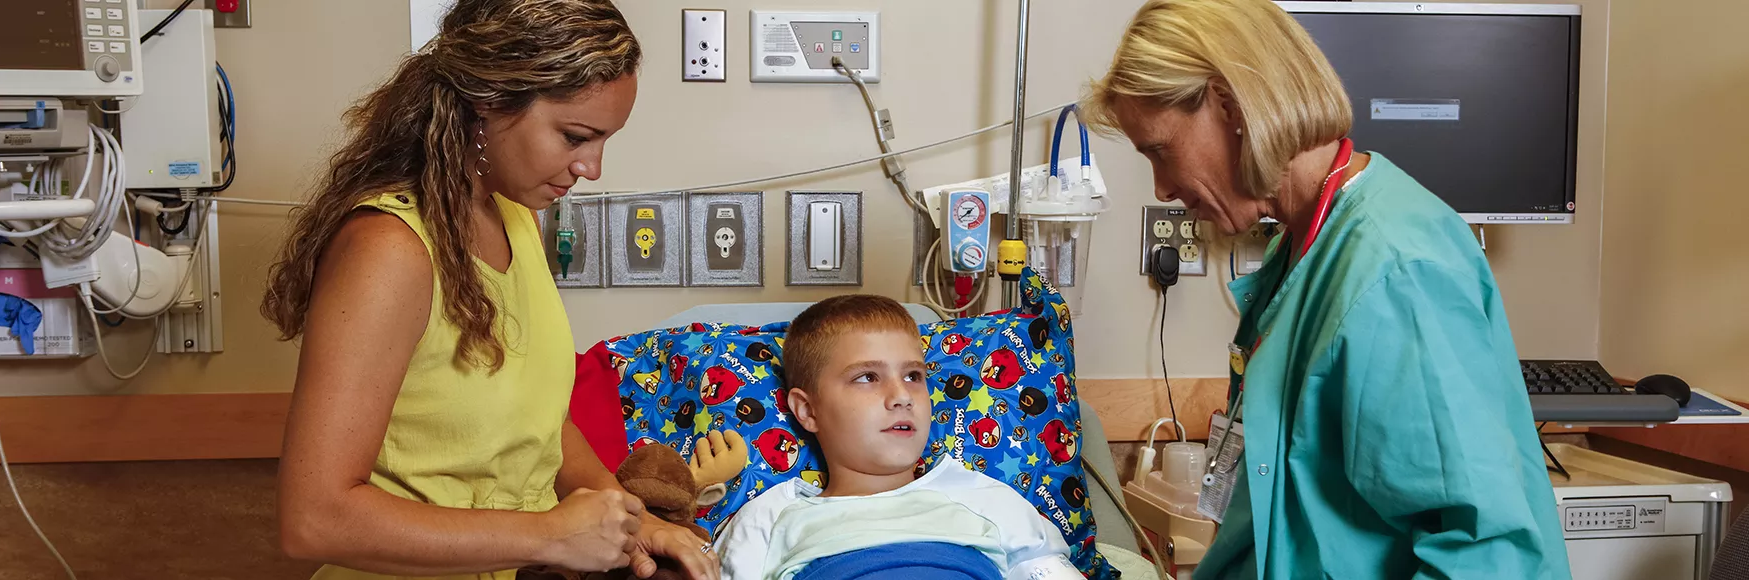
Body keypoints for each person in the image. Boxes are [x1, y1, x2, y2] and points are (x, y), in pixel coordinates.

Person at [1082, 0, 1570, 578]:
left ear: (1230, 104)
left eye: (1160, 152)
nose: (1162, 188)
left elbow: (1485, 556)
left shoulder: (1396, 269)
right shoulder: (1305, 249)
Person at [259, 1, 717, 579]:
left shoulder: (512, 214)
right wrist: (549, 535)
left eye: (603, 140)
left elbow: (541, 422)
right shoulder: (389, 250)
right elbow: (314, 520)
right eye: (576, 136)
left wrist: (631, 521)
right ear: (490, 99)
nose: (593, 167)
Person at [714, 295, 1084, 580]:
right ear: (808, 411)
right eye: (867, 378)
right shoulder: (771, 516)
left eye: (913, 376)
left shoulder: (987, 500)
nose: (902, 396)